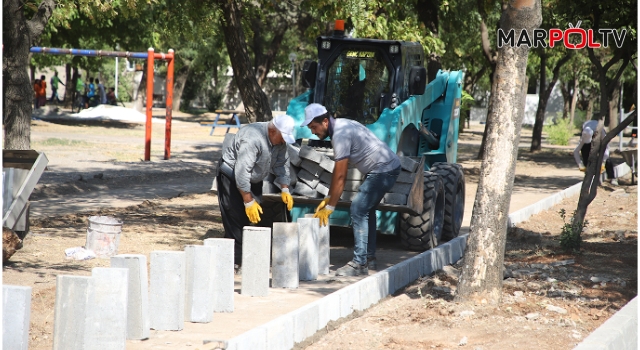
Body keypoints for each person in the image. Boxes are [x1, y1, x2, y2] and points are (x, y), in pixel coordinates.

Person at [302, 103, 401, 276]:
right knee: (366, 210)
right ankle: (369, 258)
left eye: (314, 127)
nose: (312, 132)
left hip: (383, 169)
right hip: (388, 167)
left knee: (357, 209)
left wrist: (331, 207)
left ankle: (359, 263)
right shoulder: (342, 125)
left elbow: (341, 176)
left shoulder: (340, 134)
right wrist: (329, 197)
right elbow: (337, 171)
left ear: (325, 122)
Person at [216, 114, 297, 272]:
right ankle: (235, 263)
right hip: (231, 175)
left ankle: (237, 256)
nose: (283, 141)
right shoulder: (253, 138)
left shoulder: (279, 142)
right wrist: (248, 200)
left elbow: (281, 165)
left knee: (252, 218)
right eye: (283, 137)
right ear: (273, 131)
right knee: (235, 217)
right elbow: (241, 172)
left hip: (252, 179)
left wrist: (285, 189)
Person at [573, 119, 617, 185]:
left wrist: (603, 161)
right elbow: (576, 151)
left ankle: (612, 178)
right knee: (586, 155)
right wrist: (580, 164)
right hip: (587, 130)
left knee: (607, 160)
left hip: (598, 132)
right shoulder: (584, 135)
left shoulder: (601, 132)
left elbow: (607, 148)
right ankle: (590, 177)